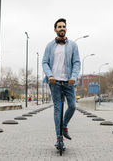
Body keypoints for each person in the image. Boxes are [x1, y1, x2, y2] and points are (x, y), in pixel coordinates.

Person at [42, 18, 81, 150]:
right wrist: (50, 75)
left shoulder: (73, 45)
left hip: (69, 82)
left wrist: (74, 77)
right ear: (55, 29)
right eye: (59, 26)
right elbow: (45, 62)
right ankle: (59, 138)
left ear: (66, 28)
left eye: (63, 26)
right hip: (55, 82)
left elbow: (76, 63)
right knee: (57, 109)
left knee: (72, 106)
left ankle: (64, 126)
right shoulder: (49, 46)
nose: (62, 28)